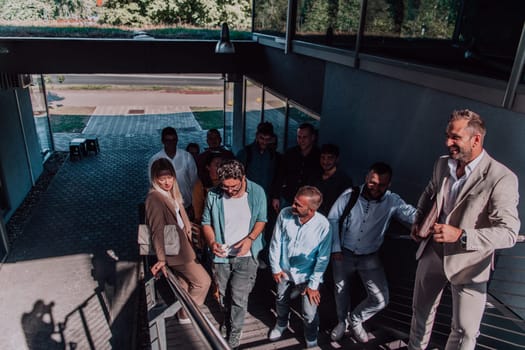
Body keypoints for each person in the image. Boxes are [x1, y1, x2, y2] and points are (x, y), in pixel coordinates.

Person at [407, 110, 520, 350]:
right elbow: (430, 192)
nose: (448, 142)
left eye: (455, 137)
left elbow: (509, 232)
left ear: (476, 139)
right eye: (447, 136)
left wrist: (460, 235)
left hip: (470, 263)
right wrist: (418, 221)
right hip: (432, 253)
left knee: (466, 332)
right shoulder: (441, 163)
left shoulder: (501, 178)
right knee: (420, 315)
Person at [328, 162, 416, 343]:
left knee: (381, 298)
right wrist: (335, 248)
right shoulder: (350, 195)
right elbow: (332, 219)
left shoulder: (392, 201)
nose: (376, 188)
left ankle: (356, 319)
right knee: (341, 290)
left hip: (370, 257)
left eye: (381, 184)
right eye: (372, 183)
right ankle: (341, 322)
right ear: (366, 178)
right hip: (343, 253)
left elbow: (411, 215)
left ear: (389, 184)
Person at [201, 159, 267, 349]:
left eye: (234, 187)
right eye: (225, 187)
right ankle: (228, 321)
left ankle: (235, 332)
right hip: (221, 256)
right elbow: (206, 222)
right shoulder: (214, 194)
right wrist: (212, 242)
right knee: (223, 294)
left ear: (243, 178)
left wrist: (250, 240)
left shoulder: (257, 192)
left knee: (238, 296)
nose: (229, 191)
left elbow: (262, 220)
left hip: (246, 257)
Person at [145, 158, 211, 323]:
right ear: (155, 179)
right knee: (203, 281)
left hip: (181, 245)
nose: (167, 182)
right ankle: (186, 313)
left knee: (184, 283)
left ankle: (183, 313)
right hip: (176, 249)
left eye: (169, 177)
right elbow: (156, 230)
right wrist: (161, 258)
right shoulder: (154, 198)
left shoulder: (171, 193)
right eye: (162, 179)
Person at [268, 186, 332, 348]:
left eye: (298, 205)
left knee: (309, 312)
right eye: (294, 202)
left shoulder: (324, 226)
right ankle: (281, 324)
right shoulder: (285, 214)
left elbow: (323, 258)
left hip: (308, 275)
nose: (293, 206)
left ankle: (311, 339)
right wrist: (275, 267)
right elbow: (276, 242)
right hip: (285, 270)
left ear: (311, 210)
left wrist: (313, 285)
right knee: (281, 300)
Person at [271, 123, 321, 213]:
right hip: (288, 198)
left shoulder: (319, 156)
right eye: (299, 137)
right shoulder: (289, 154)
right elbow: (280, 175)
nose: (301, 140)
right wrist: (276, 197)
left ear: (312, 137)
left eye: (305, 137)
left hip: (308, 202)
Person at [148, 127, 198, 215]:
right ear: (163, 141)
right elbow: (153, 183)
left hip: (186, 205)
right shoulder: (155, 159)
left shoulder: (187, 157)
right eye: (168, 140)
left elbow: (193, 181)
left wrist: (194, 204)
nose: (171, 143)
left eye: (173, 140)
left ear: (177, 140)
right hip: (165, 207)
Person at [309, 143, 352, 216]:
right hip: (313, 218)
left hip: (332, 220)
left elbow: (345, 205)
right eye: (323, 157)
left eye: (330, 158)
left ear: (337, 159)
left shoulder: (344, 180)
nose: (325, 161)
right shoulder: (314, 177)